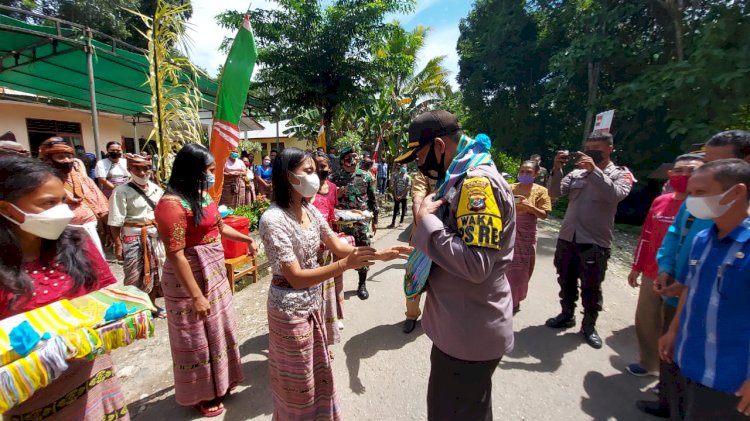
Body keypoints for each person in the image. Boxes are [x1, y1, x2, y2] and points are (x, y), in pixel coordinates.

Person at [259, 147, 409, 420]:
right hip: (288, 309)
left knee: (318, 373)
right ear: (288, 176)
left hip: (313, 302)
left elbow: (338, 246)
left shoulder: (310, 210)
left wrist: (381, 255)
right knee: (298, 381)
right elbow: (294, 275)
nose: (315, 177)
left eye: (314, 171)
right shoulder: (273, 219)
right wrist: (342, 266)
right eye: (307, 171)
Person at [395, 110, 516, 420]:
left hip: (468, 336)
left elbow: (476, 265)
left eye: (420, 155)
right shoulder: (461, 175)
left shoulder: (477, 184)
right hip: (461, 328)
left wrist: (425, 222)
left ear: (439, 145)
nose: (419, 164)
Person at [0, 156, 128, 420]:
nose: (63, 211)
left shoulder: (77, 241)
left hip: (91, 371)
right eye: (48, 203)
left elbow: (104, 297)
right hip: (28, 391)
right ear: (8, 209)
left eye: (63, 200)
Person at [638, 130, 750, 418]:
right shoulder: (704, 238)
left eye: (700, 193)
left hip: (730, 380)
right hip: (691, 359)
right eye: (690, 193)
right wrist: (674, 330)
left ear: (737, 191)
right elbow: (691, 288)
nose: (692, 201)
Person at [154, 143, 256, 417]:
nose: (213, 174)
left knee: (220, 328)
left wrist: (246, 239)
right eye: (209, 170)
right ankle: (201, 394)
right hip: (188, 278)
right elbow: (175, 255)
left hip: (214, 272)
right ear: (193, 170)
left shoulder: (203, 195)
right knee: (195, 336)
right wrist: (196, 295)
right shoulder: (171, 205)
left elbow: (219, 228)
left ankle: (222, 381)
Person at [545, 131, 634, 349]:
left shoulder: (620, 174)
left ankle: (589, 325)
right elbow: (554, 192)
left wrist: (594, 171)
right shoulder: (576, 174)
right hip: (568, 236)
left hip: (595, 241)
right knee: (565, 278)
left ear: (610, 148)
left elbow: (615, 195)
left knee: (591, 286)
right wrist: (556, 169)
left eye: (597, 148)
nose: (591, 152)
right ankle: (567, 314)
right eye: (588, 147)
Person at [626, 154, 704, 378]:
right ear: (670, 174)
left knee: (674, 325)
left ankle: (670, 377)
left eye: (691, 170)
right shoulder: (661, 201)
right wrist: (636, 266)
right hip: (654, 271)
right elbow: (646, 236)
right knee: (647, 318)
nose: (684, 175)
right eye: (678, 170)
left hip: (686, 277)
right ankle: (649, 363)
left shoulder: (702, 207)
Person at [108, 153, 166, 317]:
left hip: (154, 235)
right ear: (130, 170)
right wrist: (118, 245)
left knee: (156, 272)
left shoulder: (156, 189)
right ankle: (134, 308)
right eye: (137, 169)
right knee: (134, 274)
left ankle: (152, 305)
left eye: (146, 168)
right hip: (133, 237)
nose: (142, 173)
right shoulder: (121, 191)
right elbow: (115, 222)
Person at [38, 137, 109, 257]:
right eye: (60, 157)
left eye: (69, 157)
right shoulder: (40, 183)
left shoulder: (83, 179)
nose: (66, 160)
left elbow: (101, 204)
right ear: (48, 159)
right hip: (60, 237)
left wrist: (108, 231)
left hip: (90, 231)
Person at [330, 146, 379, 300]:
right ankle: (336, 288)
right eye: (349, 158)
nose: (353, 161)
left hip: (361, 223)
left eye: (355, 157)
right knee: (338, 256)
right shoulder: (333, 178)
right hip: (342, 224)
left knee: (363, 252)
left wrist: (375, 220)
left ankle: (362, 284)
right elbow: (327, 201)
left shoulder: (366, 176)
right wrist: (336, 195)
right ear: (343, 160)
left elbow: (372, 199)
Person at [507, 160, 552, 314]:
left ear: (536, 174)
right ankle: (502, 298)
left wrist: (530, 207)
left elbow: (544, 214)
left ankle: (515, 300)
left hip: (526, 235)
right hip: (508, 231)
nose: (524, 174)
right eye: (522, 171)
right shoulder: (510, 188)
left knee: (521, 268)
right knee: (504, 265)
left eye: (528, 172)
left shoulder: (541, 191)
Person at [311, 151, 344, 337]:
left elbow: (331, 211)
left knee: (332, 286)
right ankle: (318, 328)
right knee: (315, 289)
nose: (319, 170)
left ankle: (331, 322)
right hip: (311, 250)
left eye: (322, 166)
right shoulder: (306, 191)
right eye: (315, 167)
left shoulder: (332, 188)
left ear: (329, 168)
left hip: (329, 245)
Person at [402, 170, 437, 334]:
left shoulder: (459, 169)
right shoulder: (425, 172)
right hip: (422, 235)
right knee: (414, 276)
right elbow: (417, 197)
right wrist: (421, 221)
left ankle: (439, 317)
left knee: (442, 279)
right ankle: (411, 315)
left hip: (448, 236)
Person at [388, 164, 411, 228]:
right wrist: (395, 195)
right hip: (396, 195)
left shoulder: (408, 177)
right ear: (400, 168)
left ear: (406, 168)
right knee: (395, 209)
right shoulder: (396, 176)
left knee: (403, 209)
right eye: (402, 167)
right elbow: (394, 186)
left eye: (404, 167)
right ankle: (393, 223)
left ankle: (401, 222)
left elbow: (408, 187)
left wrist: (401, 195)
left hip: (404, 196)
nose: (403, 168)